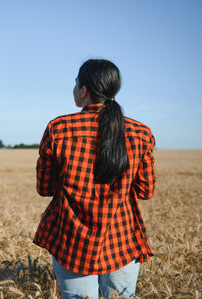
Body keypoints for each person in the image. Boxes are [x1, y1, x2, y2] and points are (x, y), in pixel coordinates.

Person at [33, 59, 156, 299]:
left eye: (75, 83)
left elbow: (45, 188)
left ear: (84, 90)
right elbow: (146, 190)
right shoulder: (140, 132)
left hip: (71, 240)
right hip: (122, 238)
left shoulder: (58, 128)